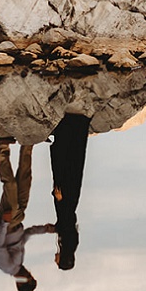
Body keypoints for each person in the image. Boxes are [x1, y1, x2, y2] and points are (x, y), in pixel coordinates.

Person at [0, 138, 55, 291]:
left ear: (20, 283)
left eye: (28, 277)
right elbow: (27, 234)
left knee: (10, 185)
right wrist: (46, 229)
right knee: (25, 178)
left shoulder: (6, 266)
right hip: (18, 218)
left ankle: (3, 146)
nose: (29, 273)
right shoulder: (19, 262)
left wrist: (5, 223)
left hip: (7, 220)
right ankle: (28, 142)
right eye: (31, 276)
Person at [50, 113, 91, 270]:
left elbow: (66, 223)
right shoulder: (69, 242)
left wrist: (54, 227)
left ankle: (70, 127)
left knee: (68, 161)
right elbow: (67, 220)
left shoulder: (70, 244)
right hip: (66, 196)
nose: (55, 260)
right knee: (66, 161)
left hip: (68, 197)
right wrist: (61, 199)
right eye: (58, 261)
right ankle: (70, 125)